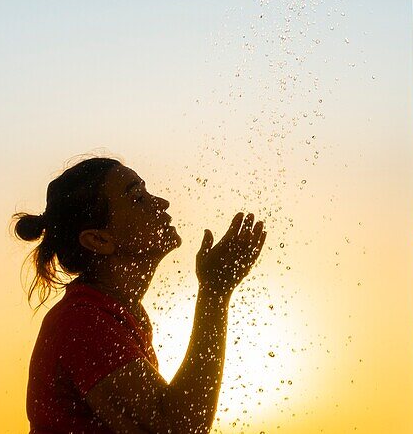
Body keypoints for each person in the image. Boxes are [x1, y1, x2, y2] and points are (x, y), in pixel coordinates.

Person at [13, 156, 266, 434]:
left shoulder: (117, 313)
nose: (161, 203)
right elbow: (179, 427)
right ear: (99, 240)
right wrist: (215, 293)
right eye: (137, 197)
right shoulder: (84, 323)